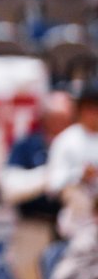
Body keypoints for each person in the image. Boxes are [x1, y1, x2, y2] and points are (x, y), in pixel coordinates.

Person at [0, 89, 76, 279]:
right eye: (54, 115)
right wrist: (51, 176)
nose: (59, 121)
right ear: (43, 116)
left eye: (65, 116)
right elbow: (9, 189)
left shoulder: (82, 145)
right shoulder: (28, 145)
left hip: (72, 230)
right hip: (33, 227)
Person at [46, 80, 98, 239]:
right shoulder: (66, 140)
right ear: (80, 109)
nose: (94, 113)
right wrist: (79, 175)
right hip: (77, 224)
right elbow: (53, 183)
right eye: (90, 108)